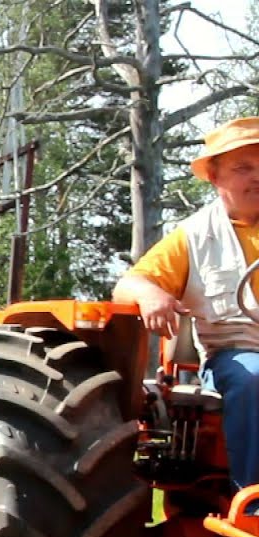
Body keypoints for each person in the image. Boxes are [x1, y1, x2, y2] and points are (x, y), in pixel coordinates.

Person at [114, 116, 259, 494]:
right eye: (243, 168)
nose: (257, 177)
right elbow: (129, 284)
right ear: (214, 176)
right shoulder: (194, 237)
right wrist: (150, 294)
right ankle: (252, 497)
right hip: (237, 354)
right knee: (255, 379)